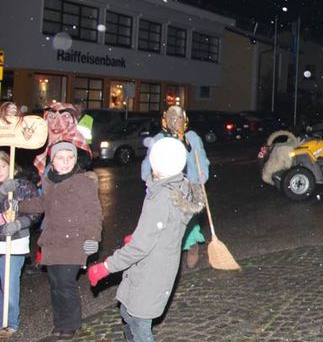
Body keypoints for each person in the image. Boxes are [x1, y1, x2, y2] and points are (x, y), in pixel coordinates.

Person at [88, 138, 204, 342]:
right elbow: (168, 225)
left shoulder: (161, 198)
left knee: (140, 323)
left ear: (155, 164)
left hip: (151, 269)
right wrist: (144, 234)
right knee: (127, 310)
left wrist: (106, 267)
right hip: (160, 261)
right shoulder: (179, 186)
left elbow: (140, 247)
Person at [1, 142, 102, 340]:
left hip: (74, 241)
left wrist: (93, 237)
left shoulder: (83, 182)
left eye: (70, 158)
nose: (65, 162)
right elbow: (42, 203)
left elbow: (93, 211)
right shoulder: (50, 181)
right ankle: (60, 322)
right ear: (52, 161)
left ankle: (70, 324)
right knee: (56, 284)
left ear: (75, 160)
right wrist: (19, 205)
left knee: (66, 284)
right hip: (53, 241)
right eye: (60, 158)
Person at [141, 106, 209, 269]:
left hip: (188, 183)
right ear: (165, 120)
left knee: (188, 218)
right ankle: (169, 251)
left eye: (178, 118)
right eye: (172, 118)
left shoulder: (191, 137)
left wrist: (202, 174)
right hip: (166, 185)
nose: (175, 121)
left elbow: (201, 158)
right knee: (166, 220)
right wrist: (148, 179)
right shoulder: (159, 139)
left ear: (184, 120)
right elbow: (148, 162)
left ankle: (192, 246)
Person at [0, 152, 40, 338]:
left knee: (9, 283)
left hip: (14, 243)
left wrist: (17, 224)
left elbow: (34, 212)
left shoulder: (24, 186)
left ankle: (9, 323)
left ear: (11, 166)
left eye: (2, 166)